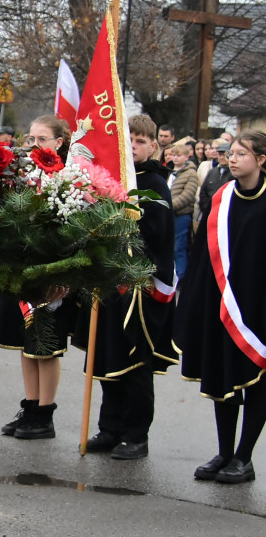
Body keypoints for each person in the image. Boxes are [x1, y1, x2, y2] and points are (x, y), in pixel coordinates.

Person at [80, 114, 176, 460]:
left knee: (136, 362)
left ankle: (136, 434)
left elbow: (158, 238)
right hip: (109, 280)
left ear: (153, 145)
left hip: (139, 285)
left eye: (140, 141)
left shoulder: (155, 184)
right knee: (107, 356)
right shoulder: (112, 179)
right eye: (128, 140)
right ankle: (110, 428)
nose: (133, 147)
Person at [176, 131, 266, 484]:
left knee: (257, 380)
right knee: (223, 376)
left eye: (243, 153)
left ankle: (244, 457)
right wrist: (195, 300)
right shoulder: (221, 197)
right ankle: (225, 451)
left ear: (261, 159)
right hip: (224, 302)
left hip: (258, 305)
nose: (234, 158)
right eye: (232, 152)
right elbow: (202, 254)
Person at [0, 115, 78, 440]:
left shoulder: (68, 178)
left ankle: (45, 413)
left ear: (59, 142)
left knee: (46, 347)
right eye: (32, 138)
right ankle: (30, 406)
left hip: (53, 274)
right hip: (25, 271)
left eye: (42, 139)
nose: (35, 145)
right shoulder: (25, 176)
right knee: (27, 345)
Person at [165, 142, 198, 280]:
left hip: (181, 215)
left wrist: (170, 205)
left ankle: (181, 275)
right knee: (169, 245)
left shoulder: (191, 173)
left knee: (179, 246)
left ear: (187, 157)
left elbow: (188, 195)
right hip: (168, 213)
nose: (175, 158)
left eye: (179, 155)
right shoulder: (170, 172)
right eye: (173, 155)